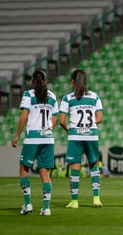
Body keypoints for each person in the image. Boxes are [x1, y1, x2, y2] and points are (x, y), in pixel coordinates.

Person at [11, 70, 59, 216]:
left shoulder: (28, 94)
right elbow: (55, 118)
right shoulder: (52, 96)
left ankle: (27, 204)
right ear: (45, 81)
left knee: (24, 170)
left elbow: (24, 116)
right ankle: (46, 208)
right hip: (48, 138)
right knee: (45, 172)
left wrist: (17, 135)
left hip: (33, 138)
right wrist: (48, 130)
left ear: (33, 81)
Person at [59, 69, 103, 209]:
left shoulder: (68, 98)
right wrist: (88, 127)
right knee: (94, 165)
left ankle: (75, 201)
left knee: (75, 166)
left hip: (75, 136)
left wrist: (70, 130)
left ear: (73, 82)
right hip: (91, 135)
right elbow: (99, 119)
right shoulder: (95, 97)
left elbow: (61, 121)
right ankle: (96, 198)